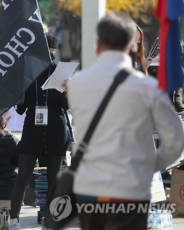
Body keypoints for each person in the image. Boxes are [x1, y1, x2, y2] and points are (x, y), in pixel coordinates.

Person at [67, 12, 184, 230]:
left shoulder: (77, 84)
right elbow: (175, 141)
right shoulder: (147, 86)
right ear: (132, 44)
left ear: (98, 45)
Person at [9, 32, 69, 229]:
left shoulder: (61, 71)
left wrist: (69, 90)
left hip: (55, 129)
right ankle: (13, 218)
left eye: (50, 49)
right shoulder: (28, 73)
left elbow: (66, 105)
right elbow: (20, 108)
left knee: (54, 179)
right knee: (23, 175)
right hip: (32, 128)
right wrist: (18, 90)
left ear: (54, 51)